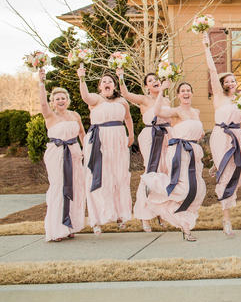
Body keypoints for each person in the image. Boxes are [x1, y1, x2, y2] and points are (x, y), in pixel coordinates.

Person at [203, 34, 241, 237]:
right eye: (228, 81)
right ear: (222, 84)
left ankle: (216, 166)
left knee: (238, 171)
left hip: (237, 136)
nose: (232, 83)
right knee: (226, 176)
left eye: (234, 80)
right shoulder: (219, 96)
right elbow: (211, 70)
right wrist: (206, 47)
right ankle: (226, 219)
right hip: (221, 135)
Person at [141, 80, 207, 241]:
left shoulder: (196, 111)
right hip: (179, 152)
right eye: (182, 90)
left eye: (188, 90)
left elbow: (200, 131)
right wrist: (162, 90)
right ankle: (156, 185)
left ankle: (186, 227)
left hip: (194, 152)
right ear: (178, 95)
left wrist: (200, 133)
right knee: (182, 188)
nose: (185, 93)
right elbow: (156, 111)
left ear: (191, 93)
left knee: (197, 190)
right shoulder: (175, 111)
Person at [78, 65, 134, 235]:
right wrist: (81, 78)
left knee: (119, 177)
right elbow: (85, 96)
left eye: (110, 81)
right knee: (98, 177)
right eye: (104, 82)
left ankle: (120, 215)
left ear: (114, 86)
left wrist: (131, 134)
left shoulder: (122, 101)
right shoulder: (96, 99)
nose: (107, 83)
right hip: (99, 142)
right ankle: (97, 220)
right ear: (100, 87)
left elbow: (128, 118)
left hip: (118, 141)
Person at [116, 68, 171, 233]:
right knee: (151, 173)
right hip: (151, 137)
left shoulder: (167, 100)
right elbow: (125, 93)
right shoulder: (144, 99)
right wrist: (121, 77)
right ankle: (145, 216)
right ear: (147, 87)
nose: (155, 80)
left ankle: (161, 213)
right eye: (150, 80)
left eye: (156, 78)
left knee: (165, 173)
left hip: (167, 136)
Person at [38, 69, 86, 242]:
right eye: (57, 98)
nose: (60, 100)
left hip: (73, 153)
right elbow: (42, 104)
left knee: (74, 188)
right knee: (59, 187)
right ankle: (57, 228)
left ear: (67, 100)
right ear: (53, 102)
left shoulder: (75, 115)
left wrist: (86, 150)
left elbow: (82, 134)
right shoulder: (50, 115)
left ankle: (69, 225)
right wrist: (41, 82)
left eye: (63, 98)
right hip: (57, 154)